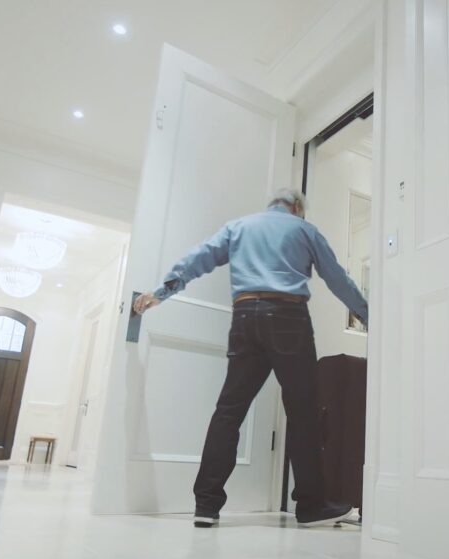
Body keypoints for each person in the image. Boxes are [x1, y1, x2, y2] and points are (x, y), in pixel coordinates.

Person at [133, 188, 368, 528]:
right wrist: (368, 314)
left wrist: (161, 293)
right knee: (303, 413)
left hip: (245, 317)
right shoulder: (305, 230)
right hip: (288, 319)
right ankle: (311, 506)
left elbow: (198, 258)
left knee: (229, 410)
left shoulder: (238, 227)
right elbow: (337, 278)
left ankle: (206, 505)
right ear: (298, 207)